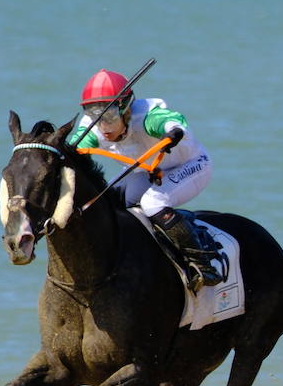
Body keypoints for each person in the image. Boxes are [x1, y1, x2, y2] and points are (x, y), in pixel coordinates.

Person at [68, 68, 223, 291]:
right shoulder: (92, 128)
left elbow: (172, 121)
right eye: (95, 116)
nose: (103, 127)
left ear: (126, 109)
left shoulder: (147, 117)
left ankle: (203, 265)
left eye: (109, 116)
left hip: (190, 166)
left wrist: (173, 131)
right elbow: (73, 149)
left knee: (153, 203)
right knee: (106, 201)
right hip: (148, 173)